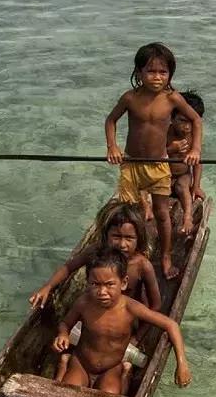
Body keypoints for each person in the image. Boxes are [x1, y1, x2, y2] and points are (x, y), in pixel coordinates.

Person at [105, 43, 203, 281]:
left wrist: (196, 149)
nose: (157, 77)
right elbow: (110, 121)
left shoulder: (172, 99)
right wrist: (112, 146)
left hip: (159, 164)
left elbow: (196, 121)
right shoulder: (130, 98)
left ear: (170, 74)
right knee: (129, 213)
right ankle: (129, 255)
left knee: (161, 213)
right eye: (150, 71)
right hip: (132, 163)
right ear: (138, 73)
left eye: (163, 72)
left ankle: (166, 255)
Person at [53, 249, 191, 393]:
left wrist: (181, 364)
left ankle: (125, 373)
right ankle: (65, 363)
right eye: (95, 284)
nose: (102, 292)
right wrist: (62, 334)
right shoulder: (84, 303)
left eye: (109, 284)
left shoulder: (130, 307)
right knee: (67, 393)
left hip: (111, 367)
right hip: (81, 363)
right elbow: (65, 324)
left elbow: (171, 325)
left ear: (124, 283)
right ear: (87, 282)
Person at [29, 203, 161, 312]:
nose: (122, 244)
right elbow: (68, 268)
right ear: (106, 235)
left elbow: (155, 305)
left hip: (125, 316)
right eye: (116, 236)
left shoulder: (142, 265)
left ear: (138, 239)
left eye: (129, 238)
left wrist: (136, 338)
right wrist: (48, 286)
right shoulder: (96, 251)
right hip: (96, 308)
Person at [166, 90, 206, 234]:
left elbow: (197, 162)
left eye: (191, 122)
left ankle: (187, 217)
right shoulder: (165, 132)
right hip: (164, 175)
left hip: (182, 175)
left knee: (183, 186)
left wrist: (196, 186)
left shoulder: (193, 136)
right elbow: (155, 156)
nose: (187, 127)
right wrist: (171, 149)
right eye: (182, 121)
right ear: (172, 117)